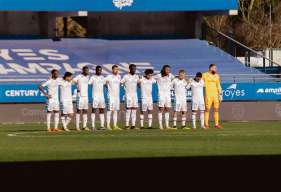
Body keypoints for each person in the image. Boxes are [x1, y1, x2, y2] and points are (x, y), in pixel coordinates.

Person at [202, 64, 224, 129]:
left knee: (216, 109)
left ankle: (216, 125)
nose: (216, 70)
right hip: (208, 95)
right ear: (210, 69)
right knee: (207, 110)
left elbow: (218, 85)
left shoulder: (217, 76)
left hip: (215, 96)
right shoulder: (204, 75)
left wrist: (220, 94)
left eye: (216, 68)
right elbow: (200, 82)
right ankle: (206, 125)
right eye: (215, 68)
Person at [88, 66, 109, 130]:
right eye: (99, 70)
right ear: (96, 70)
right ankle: (93, 126)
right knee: (94, 110)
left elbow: (106, 85)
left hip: (101, 96)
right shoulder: (93, 77)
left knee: (102, 110)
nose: (100, 71)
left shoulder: (102, 78)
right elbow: (88, 83)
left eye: (100, 70)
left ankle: (102, 126)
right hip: (95, 96)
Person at [153, 65, 175, 129]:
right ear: (163, 70)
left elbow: (176, 77)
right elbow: (151, 78)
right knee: (161, 109)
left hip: (168, 95)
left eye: (169, 70)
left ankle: (167, 125)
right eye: (167, 70)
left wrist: (183, 77)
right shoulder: (159, 76)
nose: (168, 71)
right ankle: (160, 125)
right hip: (161, 95)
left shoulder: (170, 75)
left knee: (167, 109)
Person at [121, 64, 140, 130]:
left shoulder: (136, 76)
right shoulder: (126, 76)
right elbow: (120, 83)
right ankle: (127, 126)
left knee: (134, 110)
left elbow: (138, 84)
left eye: (135, 68)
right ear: (129, 69)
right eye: (133, 68)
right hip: (128, 95)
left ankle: (133, 125)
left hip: (135, 96)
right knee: (128, 110)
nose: (134, 70)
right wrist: (124, 87)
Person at [103, 65, 122, 130]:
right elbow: (102, 81)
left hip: (117, 97)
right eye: (115, 69)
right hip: (111, 96)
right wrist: (107, 86)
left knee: (115, 111)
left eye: (117, 69)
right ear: (112, 70)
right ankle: (108, 126)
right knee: (109, 111)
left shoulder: (119, 76)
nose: (116, 70)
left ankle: (115, 126)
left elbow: (120, 83)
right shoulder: (109, 76)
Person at [73, 66, 90, 131]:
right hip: (80, 96)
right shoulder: (79, 76)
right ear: (83, 70)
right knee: (79, 111)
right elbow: (73, 80)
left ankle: (84, 126)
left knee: (85, 111)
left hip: (86, 96)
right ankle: (77, 126)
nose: (87, 72)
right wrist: (77, 86)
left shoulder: (87, 77)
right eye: (86, 70)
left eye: (88, 70)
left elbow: (87, 84)